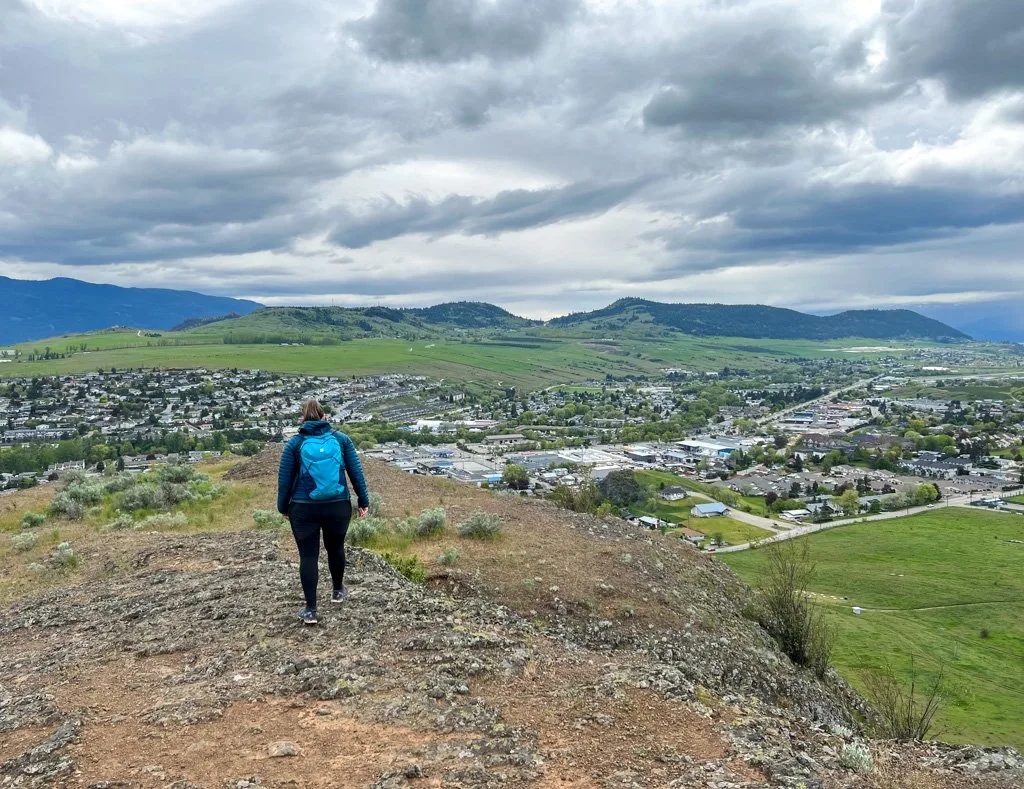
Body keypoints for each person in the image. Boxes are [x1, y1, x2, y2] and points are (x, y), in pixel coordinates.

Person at [277, 399, 369, 625]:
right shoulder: (341, 440)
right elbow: (356, 472)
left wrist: (283, 506)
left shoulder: (295, 444)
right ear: (324, 417)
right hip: (337, 505)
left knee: (308, 556)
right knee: (335, 547)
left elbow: (284, 479)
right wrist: (363, 500)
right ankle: (338, 591)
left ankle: (311, 610)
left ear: (303, 419)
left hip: (303, 507)